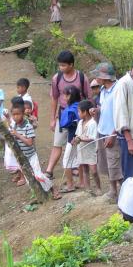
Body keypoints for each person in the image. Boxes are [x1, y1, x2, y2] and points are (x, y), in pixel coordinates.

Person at [45, 51, 91, 179]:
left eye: (64, 65)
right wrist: (53, 119)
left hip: (79, 116)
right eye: (60, 65)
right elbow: (54, 98)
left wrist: (89, 118)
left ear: (71, 64)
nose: (61, 68)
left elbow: (89, 98)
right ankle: (49, 170)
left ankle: (76, 167)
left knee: (77, 141)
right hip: (63, 115)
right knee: (57, 143)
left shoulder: (82, 78)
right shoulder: (57, 78)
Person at [4, 104, 53, 193]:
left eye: (17, 114)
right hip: (23, 157)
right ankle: (39, 194)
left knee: (39, 175)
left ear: (23, 114)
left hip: (31, 156)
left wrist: (17, 135)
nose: (15, 117)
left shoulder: (28, 126)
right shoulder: (15, 125)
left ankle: (53, 190)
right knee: (29, 179)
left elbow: (30, 143)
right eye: (13, 114)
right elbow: (10, 127)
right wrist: (7, 118)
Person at [92, 63, 123, 203]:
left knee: (115, 162)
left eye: (97, 75)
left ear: (104, 77)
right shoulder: (103, 90)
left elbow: (121, 113)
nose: (96, 78)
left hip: (113, 132)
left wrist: (113, 133)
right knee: (106, 161)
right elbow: (105, 108)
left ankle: (122, 191)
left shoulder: (118, 89)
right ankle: (113, 190)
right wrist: (97, 111)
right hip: (102, 130)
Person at [74, 100, 101, 195]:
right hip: (81, 149)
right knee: (85, 169)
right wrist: (76, 140)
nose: (78, 113)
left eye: (79, 111)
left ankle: (98, 188)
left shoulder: (92, 123)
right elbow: (77, 134)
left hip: (90, 150)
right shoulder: (80, 122)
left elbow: (92, 138)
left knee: (93, 170)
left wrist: (80, 139)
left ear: (85, 112)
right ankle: (88, 188)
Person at [59, 85, 81, 193]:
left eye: (66, 95)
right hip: (78, 138)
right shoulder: (78, 107)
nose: (64, 97)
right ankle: (81, 182)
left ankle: (70, 184)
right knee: (78, 160)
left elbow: (66, 123)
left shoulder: (72, 110)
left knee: (66, 161)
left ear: (71, 96)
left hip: (73, 139)